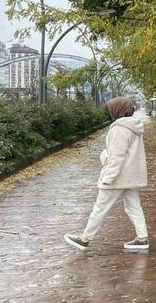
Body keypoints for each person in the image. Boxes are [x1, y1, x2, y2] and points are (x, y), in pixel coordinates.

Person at [64, 97, 149, 250]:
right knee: (134, 207)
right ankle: (142, 238)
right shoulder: (134, 127)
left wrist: (107, 178)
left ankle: (85, 239)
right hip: (132, 176)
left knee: (100, 208)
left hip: (117, 177)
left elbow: (117, 158)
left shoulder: (119, 129)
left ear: (117, 110)